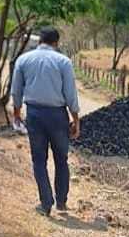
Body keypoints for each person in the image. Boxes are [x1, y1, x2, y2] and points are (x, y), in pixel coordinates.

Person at [11, 28, 81, 216]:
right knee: (61, 159)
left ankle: (45, 202)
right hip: (58, 115)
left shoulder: (23, 60)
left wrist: (16, 114)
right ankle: (61, 201)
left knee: (39, 159)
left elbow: (16, 91)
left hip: (34, 114)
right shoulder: (63, 62)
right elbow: (71, 95)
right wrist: (76, 120)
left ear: (39, 40)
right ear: (56, 42)